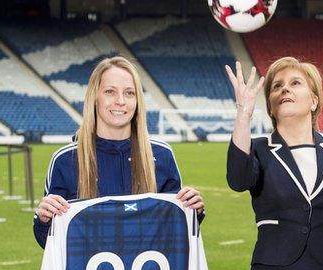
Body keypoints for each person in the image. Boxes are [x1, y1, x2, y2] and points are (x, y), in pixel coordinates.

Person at [225, 57, 323, 270]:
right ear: (270, 106)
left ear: (314, 101)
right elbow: (237, 179)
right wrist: (243, 114)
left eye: (295, 83)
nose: (285, 89)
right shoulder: (257, 148)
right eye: (277, 86)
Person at [33, 56, 204, 248]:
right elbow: (49, 243)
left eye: (129, 93)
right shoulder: (65, 160)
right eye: (110, 92)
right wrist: (44, 219)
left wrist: (193, 210)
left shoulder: (162, 154)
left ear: (138, 101)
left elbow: (176, 232)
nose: (120, 101)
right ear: (94, 97)